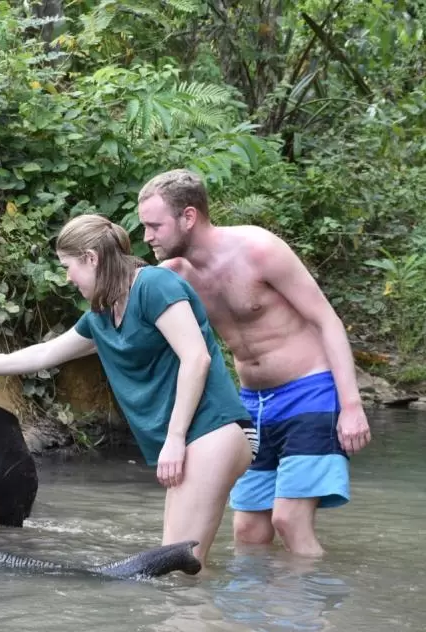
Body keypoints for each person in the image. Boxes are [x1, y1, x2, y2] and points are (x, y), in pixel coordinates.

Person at [0, 214, 256, 568]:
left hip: (213, 430)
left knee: (180, 567)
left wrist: (175, 439)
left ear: (91, 258)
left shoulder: (154, 286)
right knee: (181, 569)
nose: (67, 277)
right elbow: (45, 353)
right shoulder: (101, 316)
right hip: (192, 439)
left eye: (68, 266)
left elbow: (196, 358)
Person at [137, 169, 371, 557]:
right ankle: (259, 617)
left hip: (309, 391)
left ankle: (314, 612)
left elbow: (324, 319)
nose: (147, 237)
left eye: (154, 226)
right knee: (248, 530)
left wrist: (351, 405)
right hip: (251, 404)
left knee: (289, 520)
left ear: (189, 217)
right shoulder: (173, 277)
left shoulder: (259, 250)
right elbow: (120, 317)